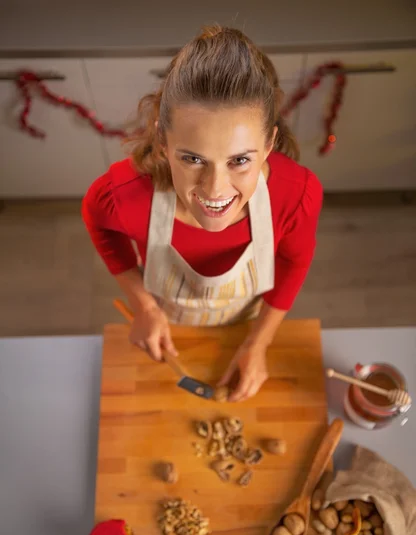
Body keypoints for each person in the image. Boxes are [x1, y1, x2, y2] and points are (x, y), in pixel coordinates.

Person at [82, 25, 323, 402]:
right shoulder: (123, 196)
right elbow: (97, 221)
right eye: (193, 159)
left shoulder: (297, 194)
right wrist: (142, 305)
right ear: (163, 141)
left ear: (269, 144)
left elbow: (295, 262)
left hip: (245, 320)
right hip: (169, 320)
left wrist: (258, 343)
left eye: (240, 160)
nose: (215, 190)